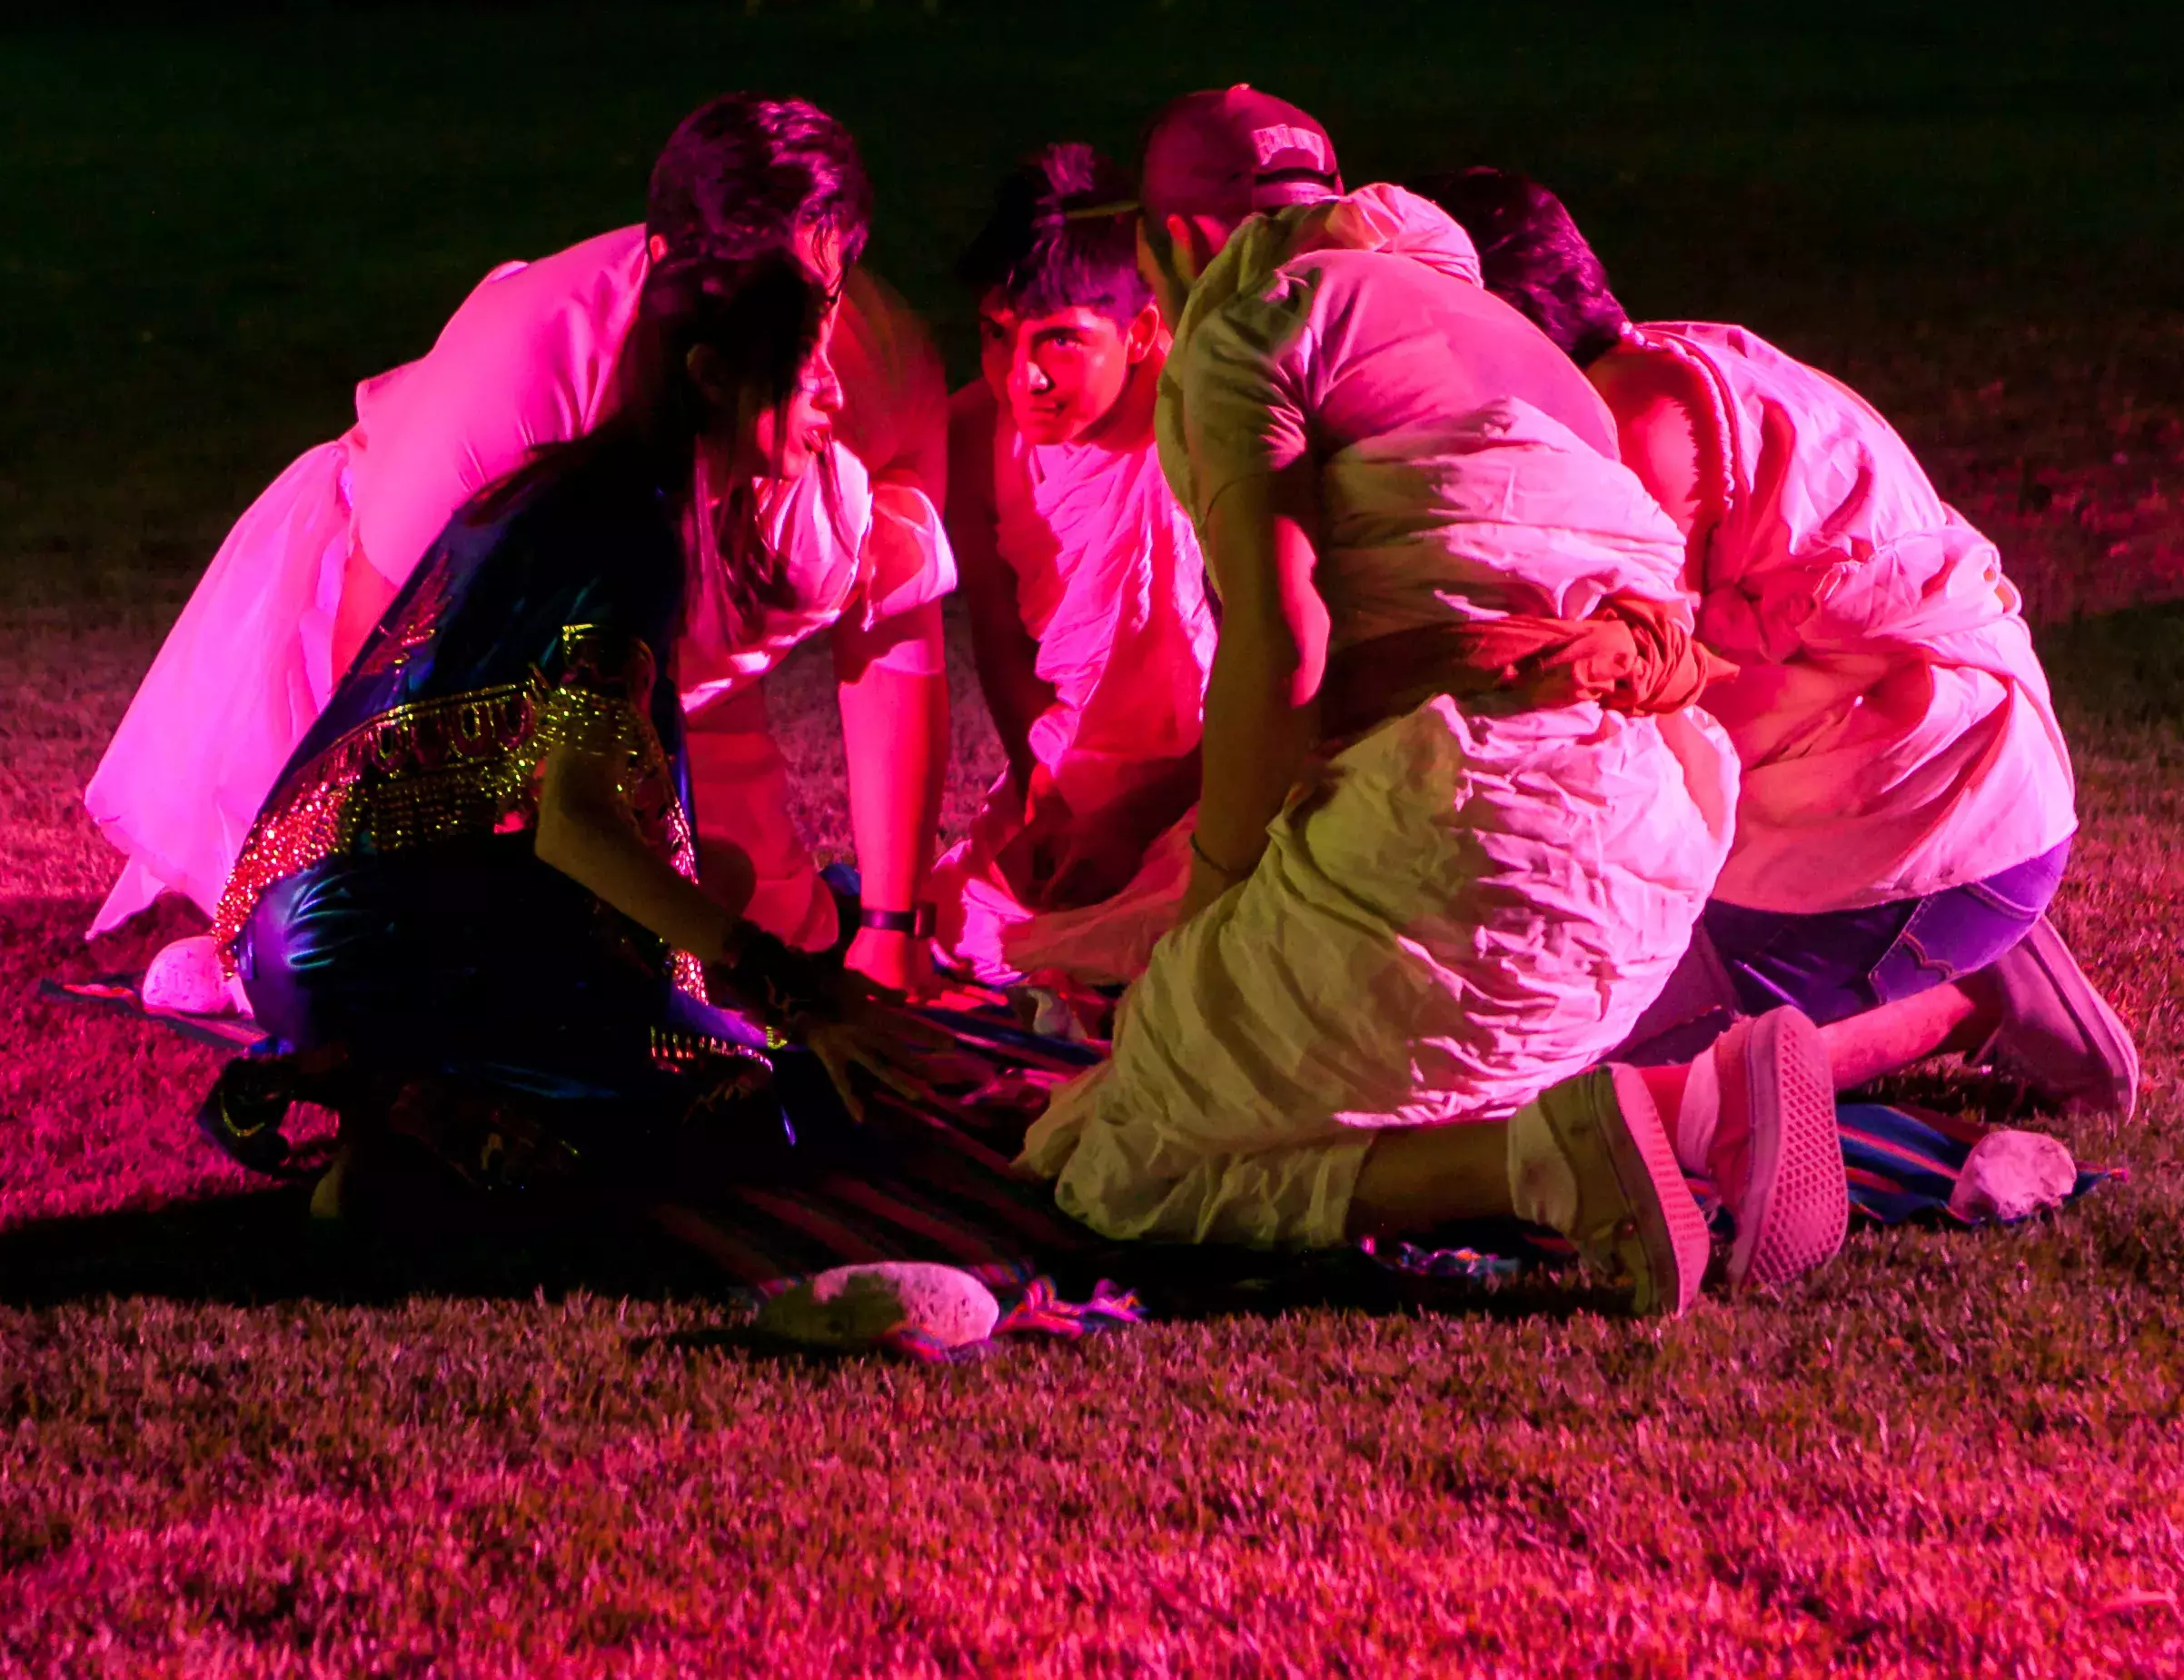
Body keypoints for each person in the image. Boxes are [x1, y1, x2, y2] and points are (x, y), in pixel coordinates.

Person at [1020, 88, 1851, 1316]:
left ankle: (1542, 1167)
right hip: (1641, 870)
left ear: (1181, 240)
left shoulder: (1257, 320)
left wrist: (1211, 903)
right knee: (1305, 1076)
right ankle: (1695, 1100)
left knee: (1119, 1162)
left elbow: (1287, 645)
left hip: (1468, 841)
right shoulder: (1520, 344)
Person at [86, 95, 956, 1000]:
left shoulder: (856, 380)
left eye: (820, 304)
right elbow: (389, 680)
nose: (823, 370)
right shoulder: (537, 407)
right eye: (781, 330)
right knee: (601, 961)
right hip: (428, 696)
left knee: (736, 910)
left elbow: (894, 632)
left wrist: (892, 926)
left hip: (633, 717)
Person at [194, 249, 937, 1216]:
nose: (834, 395)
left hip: (305, 916)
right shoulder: (630, 539)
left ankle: (416, 1105)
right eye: (804, 371)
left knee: (699, 926)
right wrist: (789, 987)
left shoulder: (579, 488)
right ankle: (424, 1123)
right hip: (358, 936)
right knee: (772, 1098)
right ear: (712, 377)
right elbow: (575, 828)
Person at [1415, 165, 2136, 1120]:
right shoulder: (1656, 366)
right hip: (1936, 783)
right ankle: (1976, 953)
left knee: (1564, 1079)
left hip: (1915, 823)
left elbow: (1623, 723)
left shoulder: (1632, 434)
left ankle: (1956, 999)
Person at [926, 145, 1212, 989]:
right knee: (965, 930)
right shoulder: (976, 436)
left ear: (1141, 332)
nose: (1024, 377)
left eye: (1060, 341)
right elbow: (999, 635)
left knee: (1195, 930)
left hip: (1216, 772)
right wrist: (1046, 793)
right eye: (996, 336)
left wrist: (1136, 818)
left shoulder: (1199, 427)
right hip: (1070, 771)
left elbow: (1272, 672)